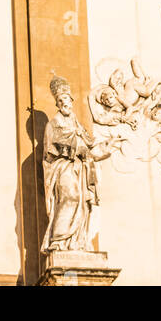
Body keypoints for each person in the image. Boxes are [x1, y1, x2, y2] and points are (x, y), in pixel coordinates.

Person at [42, 78, 109, 254]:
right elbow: (49, 153)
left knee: (82, 202)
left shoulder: (78, 125)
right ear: (57, 103)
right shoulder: (53, 125)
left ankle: (77, 242)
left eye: (67, 99)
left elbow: (90, 146)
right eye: (60, 100)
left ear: (71, 101)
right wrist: (73, 148)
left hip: (80, 170)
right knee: (69, 198)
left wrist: (106, 146)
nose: (65, 103)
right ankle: (58, 241)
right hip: (63, 168)